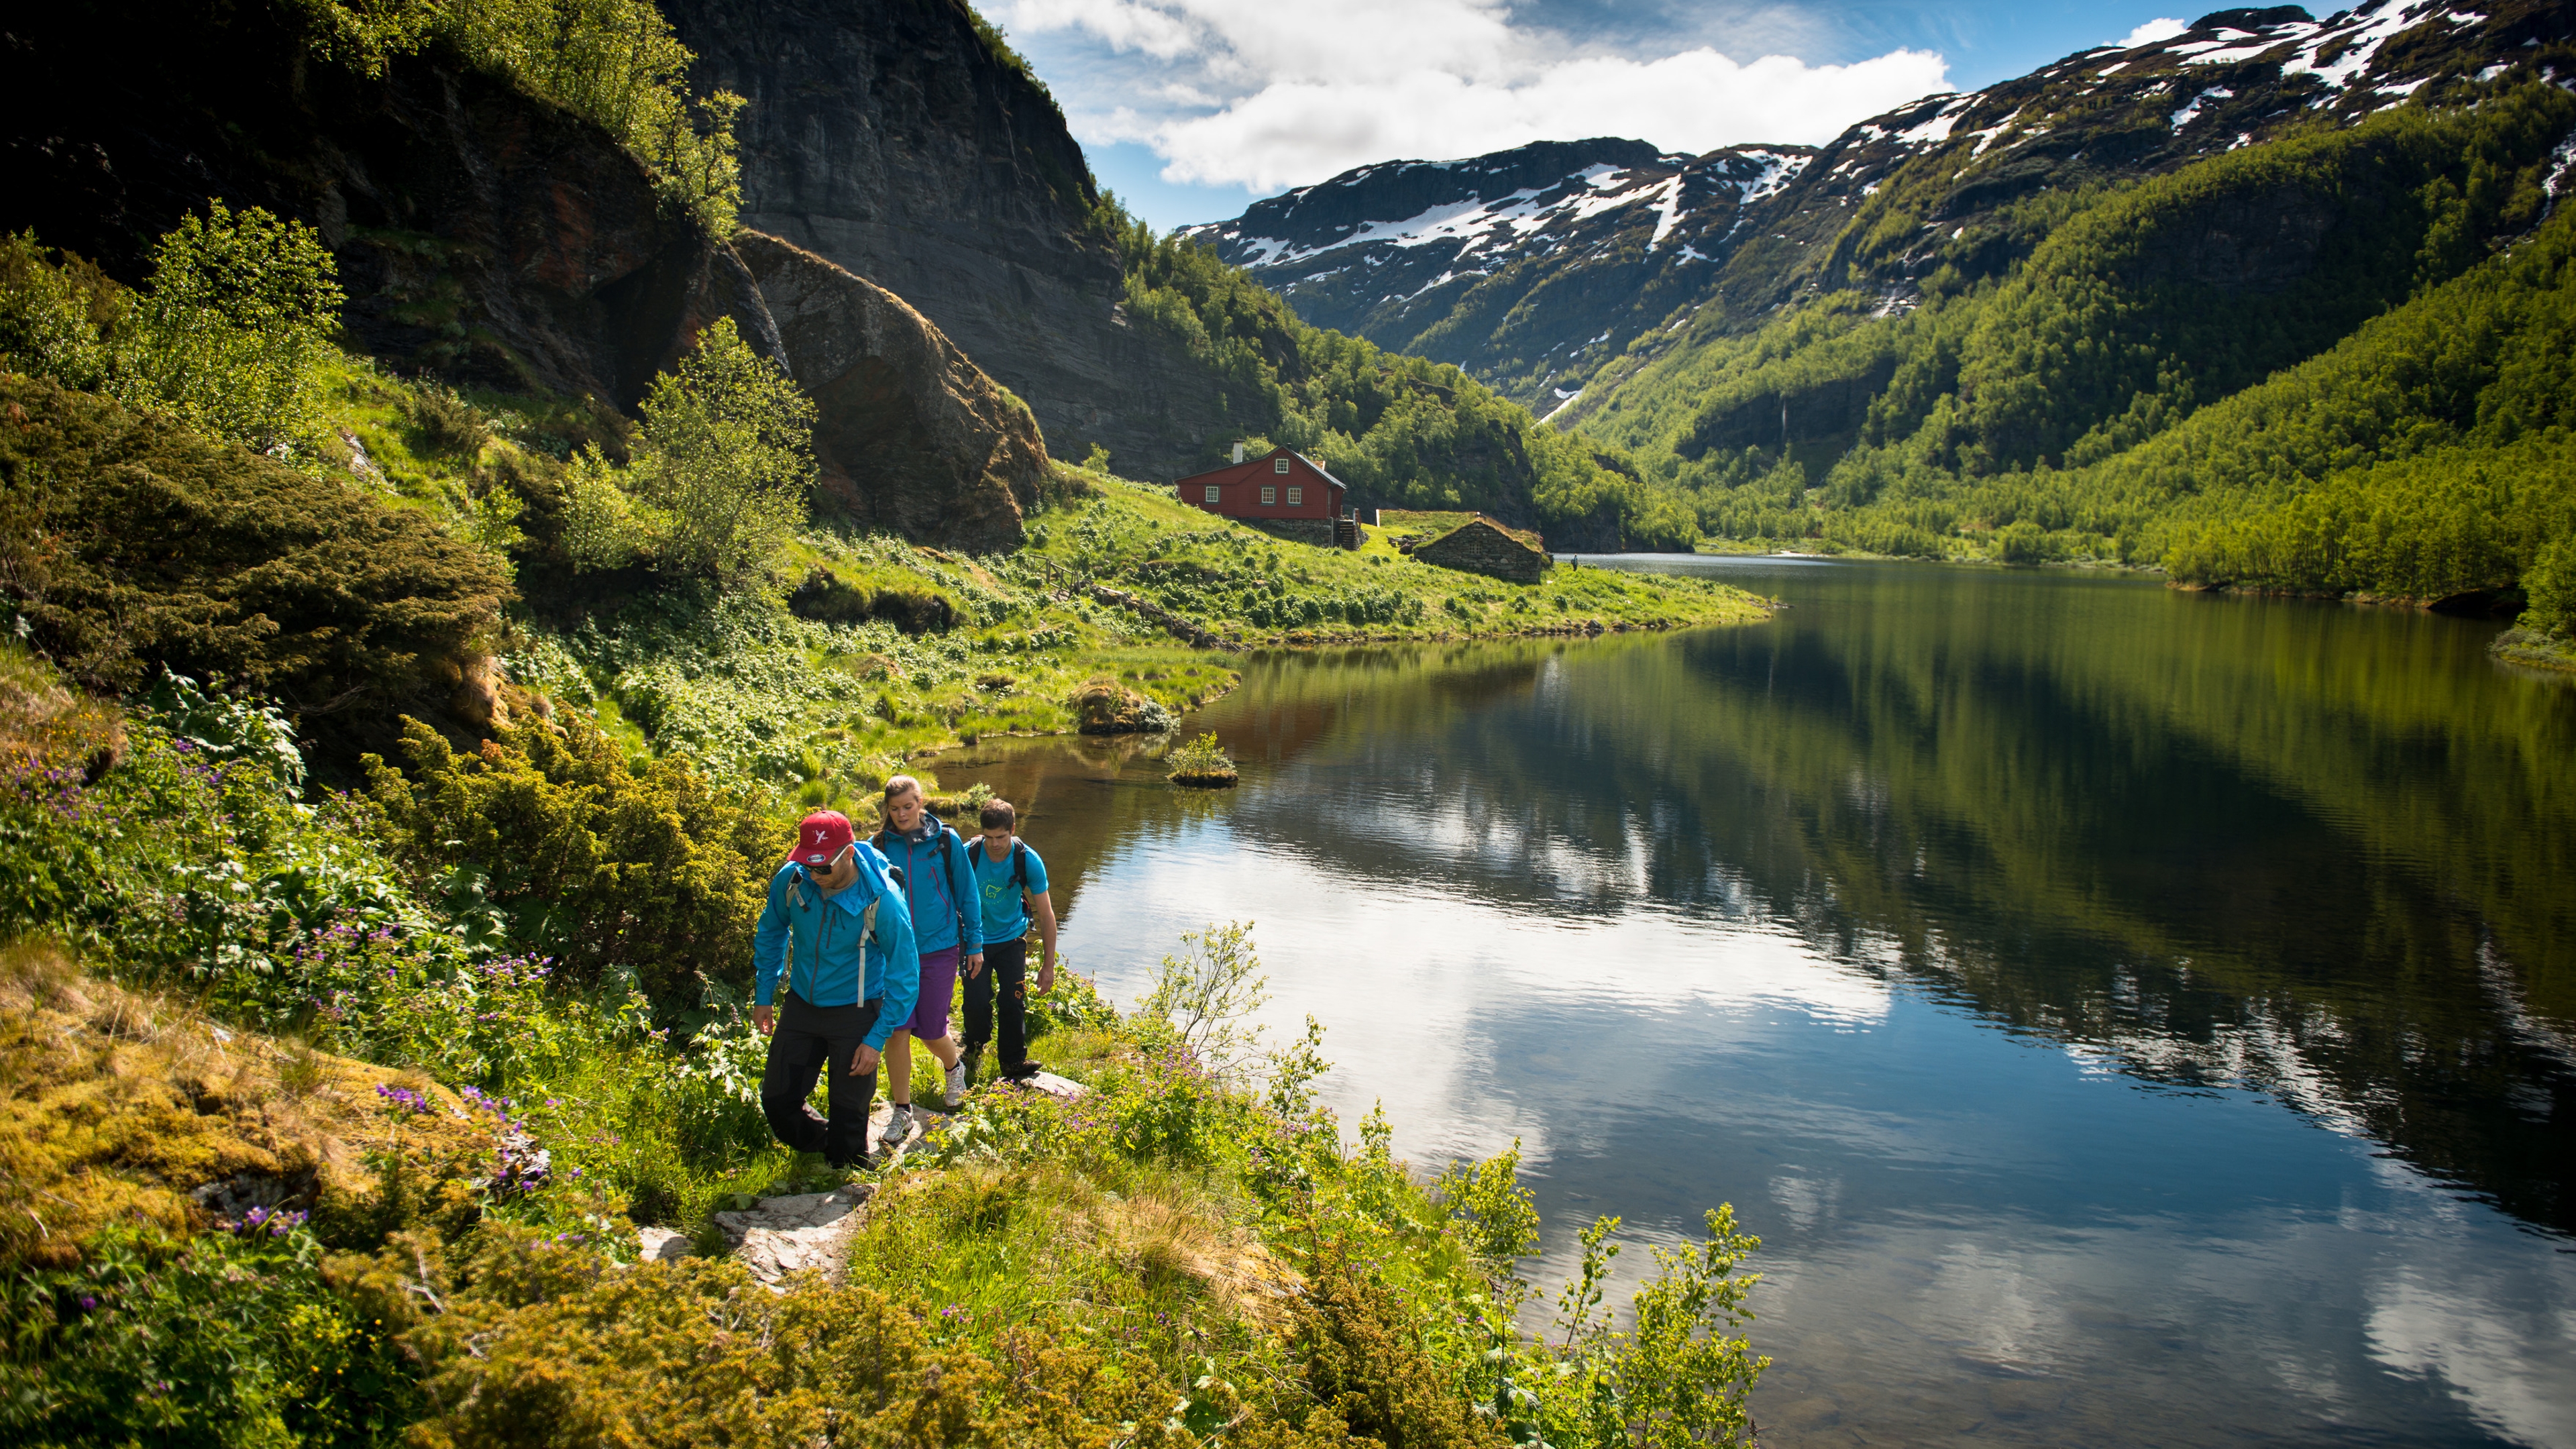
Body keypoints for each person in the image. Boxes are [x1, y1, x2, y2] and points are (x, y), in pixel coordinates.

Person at [750, 809, 918, 1170]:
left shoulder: (883, 901)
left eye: (823, 868)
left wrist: (876, 1040)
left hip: (856, 1011)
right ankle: (827, 1144)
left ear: (850, 854)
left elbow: (905, 976)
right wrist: (764, 994)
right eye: (808, 865)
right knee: (778, 1100)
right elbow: (771, 932)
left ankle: (847, 1163)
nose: (814, 875)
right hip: (802, 1006)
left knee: (849, 1110)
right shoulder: (793, 880)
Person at [871, 775, 982, 1139]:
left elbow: (967, 894)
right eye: (895, 808)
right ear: (887, 810)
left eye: (908, 806)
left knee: (932, 1029)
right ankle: (901, 1111)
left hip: (939, 947)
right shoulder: (877, 846)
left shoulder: (946, 841)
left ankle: (953, 1067)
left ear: (921, 803)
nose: (902, 814)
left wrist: (975, 943)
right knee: (897, 1029)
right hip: (894, 951)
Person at [963, 798, 1059, 1084]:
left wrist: (1048, 966)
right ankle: (975, 1047)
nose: (994, 844)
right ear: (981, 833)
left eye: (1001, 837)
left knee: (1012, 999)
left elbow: (1047, 914)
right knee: (976, 1002)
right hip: (975, 940)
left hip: (1011, 937)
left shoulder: (1027, 859)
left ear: (1013, 829)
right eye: (989, 837)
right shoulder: (969, 854)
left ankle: (1013, 1059)